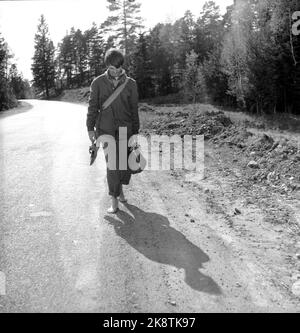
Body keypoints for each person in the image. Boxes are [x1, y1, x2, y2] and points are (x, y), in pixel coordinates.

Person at [86, 49, 140, 214]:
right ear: (107, 66)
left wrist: (135, 131)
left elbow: (134, 109)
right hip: (106, 129)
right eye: (111, 69)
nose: (115, 72)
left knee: (123, 164)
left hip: (125, 129)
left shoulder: (131, 84)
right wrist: (90, 128)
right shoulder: (98, 83)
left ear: (122, 66)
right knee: (113, 165)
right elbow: (93, 107)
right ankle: (114, 199)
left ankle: (120, 190)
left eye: (118, 69)